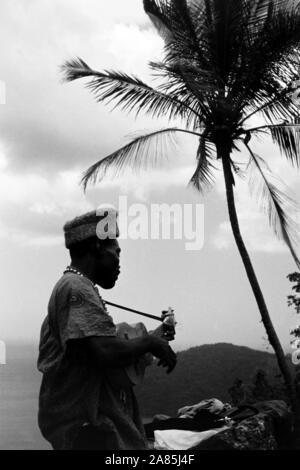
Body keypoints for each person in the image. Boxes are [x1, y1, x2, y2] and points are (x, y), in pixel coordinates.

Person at [37, 209, 177, 450]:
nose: (119, 261)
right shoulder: (75, 289)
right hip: (87, 430)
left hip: (91, 430)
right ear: (98, 247)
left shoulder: (80, 288)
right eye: (117, 251)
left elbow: (108, 354)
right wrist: (151, 343)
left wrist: (158, 335)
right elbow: (104, 351)